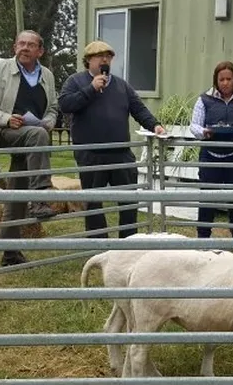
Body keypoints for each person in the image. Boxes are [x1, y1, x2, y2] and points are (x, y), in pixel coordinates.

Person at [59, 40, 166, 238]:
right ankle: (99, 243)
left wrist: (155, 125)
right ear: (88, 60)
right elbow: (65, 104)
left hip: (120, 153)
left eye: (108, 56)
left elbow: (138, 109)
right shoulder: (75, 81)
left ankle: (128, 242)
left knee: (128, 200)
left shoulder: (121, 85)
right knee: (94, 202)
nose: (105, 59)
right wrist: (90, 89)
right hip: (90, 154)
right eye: (100, 56)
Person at [0, 30, 60, 266]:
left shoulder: (47, 75)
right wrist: (6, 118)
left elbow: (52, 108)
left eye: (31, 45)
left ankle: (10, 253)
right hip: (3, 131)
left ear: (40, 51)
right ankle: (40, 199)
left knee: (17, 189)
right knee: (37, 134)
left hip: (32, 140)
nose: (25, 48)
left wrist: (49, 122)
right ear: (14, 47)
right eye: (21, 43)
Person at [190, 61, 233, 238]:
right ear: (216, 80)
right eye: (221, 79)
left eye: (229, 79)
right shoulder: (204, 99)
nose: (225, 83)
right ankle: (202, 237)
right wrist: (205, 131)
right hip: (210, 156)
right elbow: (194, 125)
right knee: (207, 198)